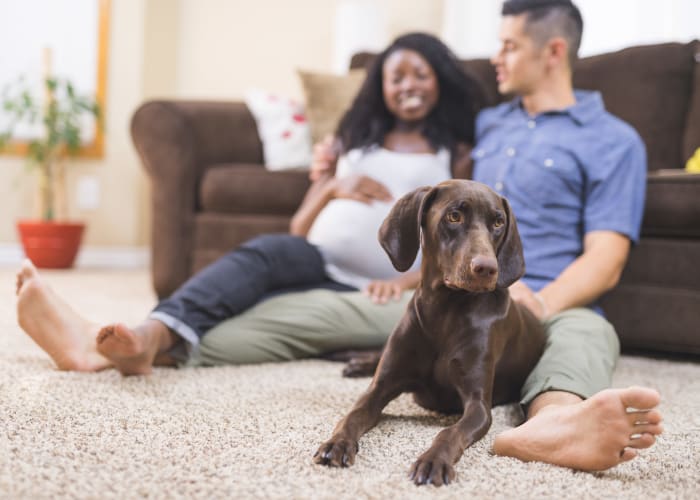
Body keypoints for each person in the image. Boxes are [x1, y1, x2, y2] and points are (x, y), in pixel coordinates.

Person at [170, 0, 666, 472]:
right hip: (439, 295)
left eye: (509, 46)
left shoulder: (613, 141)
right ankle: (173, 342)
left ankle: (555, 424)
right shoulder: (486, 124)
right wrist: (329, 153)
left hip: (548, 304)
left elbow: (607, 260)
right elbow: (408, 139)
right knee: (301, 312)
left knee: (589, 334)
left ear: (553, 51)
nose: (496, 57)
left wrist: (537, 300)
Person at [15, 32, 483, 374]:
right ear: (379, 86)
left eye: (420, 75)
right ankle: (144, 337)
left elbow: (460, 239)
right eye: (395, 77)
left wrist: (402, 283)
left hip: (375, 287)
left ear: (439, 81)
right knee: (259, 255)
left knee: (249, 317)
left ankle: (100, 351)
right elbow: (300, 228)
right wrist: (330, 188)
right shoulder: (351, 142)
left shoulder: (456, 153)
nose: (408, 86)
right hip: (313, 258)